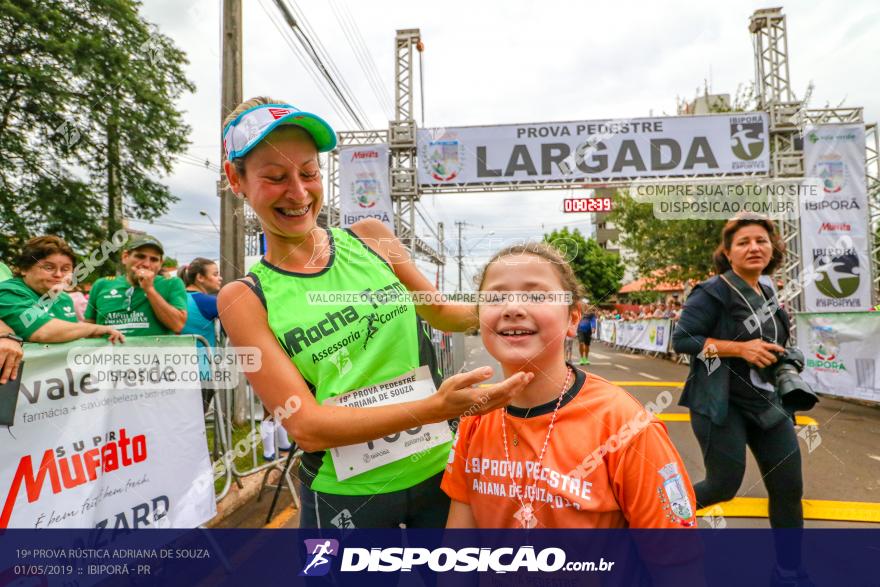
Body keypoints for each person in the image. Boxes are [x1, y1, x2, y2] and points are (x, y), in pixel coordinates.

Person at [217, 97, 530, 528]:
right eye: (275, 177)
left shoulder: (371, 236)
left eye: (309, 172)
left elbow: (441, 312)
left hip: (438, 475)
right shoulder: (243, 298)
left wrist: (517, 307)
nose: (298, 192)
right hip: (343, 501)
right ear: (236, 179)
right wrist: (434, 409)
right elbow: (306, 426)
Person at [442, 242, 696, 529]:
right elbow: (458, 553)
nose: (512, 308)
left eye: (536, 295)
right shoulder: (475, 417)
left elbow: (677, 565)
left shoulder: (626, 426)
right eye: (496, 297)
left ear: (573, 317)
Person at [672, 216, 809, 584]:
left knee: (788, 488)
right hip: (721, 404)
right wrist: (739, 349)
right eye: (744, 242)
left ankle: (789, 571)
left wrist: (787, 356)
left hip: (768, 405)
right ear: (728, 253)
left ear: (772, 249)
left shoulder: (768, 293)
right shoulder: (712, 291)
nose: (754, 248)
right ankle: (651, 521)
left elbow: (770, 344)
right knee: (722, 486)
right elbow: (683, 340)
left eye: (761, 241)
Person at [0, 236, 124, 344]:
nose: (58, 274)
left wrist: (86, 334)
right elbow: (42, 332)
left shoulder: (64, 298)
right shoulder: (8, 292)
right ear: (24, 269)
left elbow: (68, 335)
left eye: (65, 269)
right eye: (48, 267)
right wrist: (94, 328)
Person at [85, 235, 187, 336]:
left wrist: (149, 289)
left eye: (154, 259)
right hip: (109, 352)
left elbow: (177, 325)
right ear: (125, 257)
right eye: (140, 256)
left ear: (160, 263)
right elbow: (89, 327)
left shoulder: (172, 283)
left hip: (155, 352)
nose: (147, 264)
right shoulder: (101, 285)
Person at [180, 257, 224, 413]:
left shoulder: (174, 299)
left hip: (173, 371)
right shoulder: (209, 302)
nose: (220, 278)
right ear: (200, 277)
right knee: (196, 424)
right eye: (215, 274)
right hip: (203, 372)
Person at [575, 301, 595, 365]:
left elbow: (593, 320)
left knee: (587, 345)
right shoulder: (579, 311)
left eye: (587, 304)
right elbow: (575, 319)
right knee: (581, 343)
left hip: (588, 330)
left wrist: (593, 327)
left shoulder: (591, 313)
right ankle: (581, 358)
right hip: (580, 330)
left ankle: (586, 358)